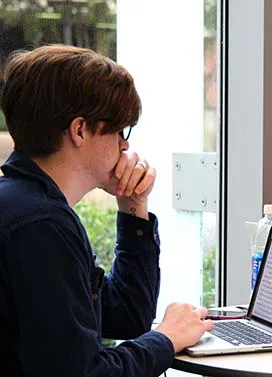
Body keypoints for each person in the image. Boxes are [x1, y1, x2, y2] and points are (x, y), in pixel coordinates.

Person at [0, 45, 213, 376]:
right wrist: (166, 339)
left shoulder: (26, 205)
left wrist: (133, 205)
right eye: (119, 131)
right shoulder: (40, 224)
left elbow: (126, 315)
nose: (125, 145)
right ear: (80, 130)